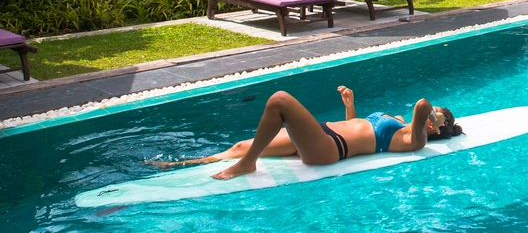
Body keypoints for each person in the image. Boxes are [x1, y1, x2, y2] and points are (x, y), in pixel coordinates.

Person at [151, 86, 462, 180]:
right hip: (327, 132)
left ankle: (248, 164)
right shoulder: (398, 122)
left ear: (435, 126)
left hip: (328, 149)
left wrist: (433, 115)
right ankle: (182, 165)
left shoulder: (414, 140)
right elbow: (359, 127)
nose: (434, 111)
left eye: (439, 115)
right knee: (240, 144)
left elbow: (421, 104)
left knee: (279, 101)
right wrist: (350, 106)